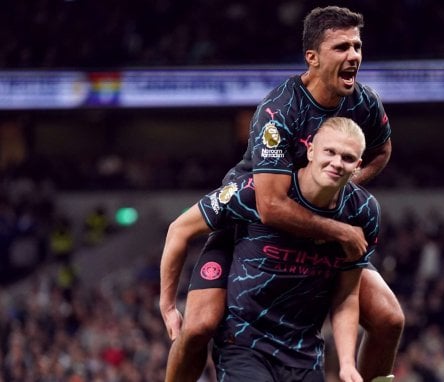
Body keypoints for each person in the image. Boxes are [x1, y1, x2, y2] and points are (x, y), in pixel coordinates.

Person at [160, 6, 402, 382]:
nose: (353, 55)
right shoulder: (279, 111)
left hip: (317, 218)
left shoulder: (364, 102)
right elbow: (270, 206)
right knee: (199, 327)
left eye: (357, 46)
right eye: (341, 47)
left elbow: (382, 152)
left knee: (389, 318)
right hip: (249, 218)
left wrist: (341, 186)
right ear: (313, 57)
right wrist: (339, 230)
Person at [162, 118, 378, 381]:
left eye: (347, 157)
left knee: (391, 319)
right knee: (197, 329)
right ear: (310, 151)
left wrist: (347, 364)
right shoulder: (254, 191)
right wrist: (168, 306)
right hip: (243, 341)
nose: (336, 162)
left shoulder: (362, 212)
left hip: (303, 352)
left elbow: (346, 296)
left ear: (357, 166)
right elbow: (179, 229)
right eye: (329, 152)